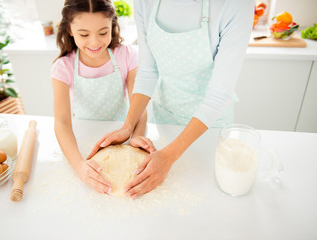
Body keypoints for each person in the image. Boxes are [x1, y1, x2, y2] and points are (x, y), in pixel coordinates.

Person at [88, 0, 254, 199]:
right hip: (166, 119)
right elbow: (149, 71)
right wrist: (128, 126)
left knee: (205, 194)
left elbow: (218, 94)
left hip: (210, 127)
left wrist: (169, 156)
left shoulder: (235, 4)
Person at [51, 0, 155, 195]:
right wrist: (79, 166)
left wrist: (137, 136)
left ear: (112, 25)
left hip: (124, 133)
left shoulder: (127, 56)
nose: (94, 42)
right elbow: (62, 123)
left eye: (103, 32)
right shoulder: (63, 67)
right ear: (70, 30)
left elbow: (138, 108)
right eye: (84, 34)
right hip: (83, 143)